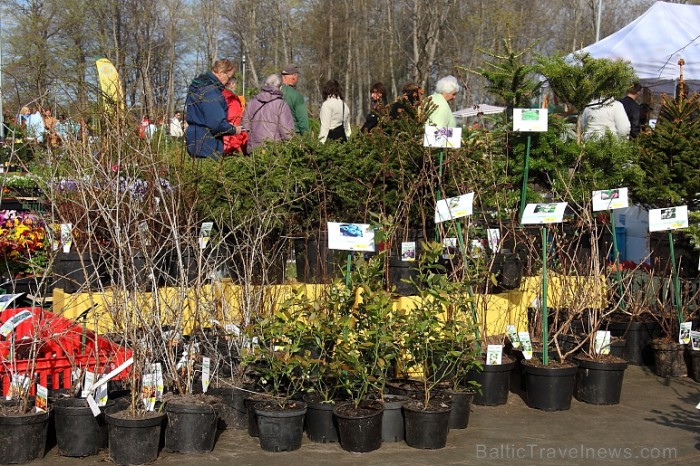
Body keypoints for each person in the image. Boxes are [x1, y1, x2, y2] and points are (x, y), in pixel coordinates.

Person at [185, 58, 243, 159]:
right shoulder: (211, 92)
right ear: (221, 72)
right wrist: (233, 129)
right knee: (208, 171)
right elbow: (216, 124)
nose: (229, 82)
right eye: (229, 77)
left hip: (195, 139)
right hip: (207, 143)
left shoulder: (199, 86)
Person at [241, 74, 295, 153]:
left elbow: (245, 126)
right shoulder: (281, 105)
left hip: (254, 150)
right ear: (280, 87)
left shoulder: (252, 102)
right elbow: (287, 132)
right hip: (274, 151)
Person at [280, 63, 310, 135]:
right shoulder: (296, 95)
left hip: (275, 137)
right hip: (293, 137)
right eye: (297, 76)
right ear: (294, 76)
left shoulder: (274, 92)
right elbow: (303, 122)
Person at [318, 79, 351, 143]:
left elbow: (325, 127)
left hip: (330, 141)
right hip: (343, 140)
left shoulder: (327, 105)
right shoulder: (345, 106)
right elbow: (347, 129)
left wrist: (320, 144)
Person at [222, 78, 248, 154]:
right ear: (231, 84)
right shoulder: (231, 100)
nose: (236, 86)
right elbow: (234, 121)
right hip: (231, 140)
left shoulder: (225, 98)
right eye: (235, 84)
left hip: (230, 138)